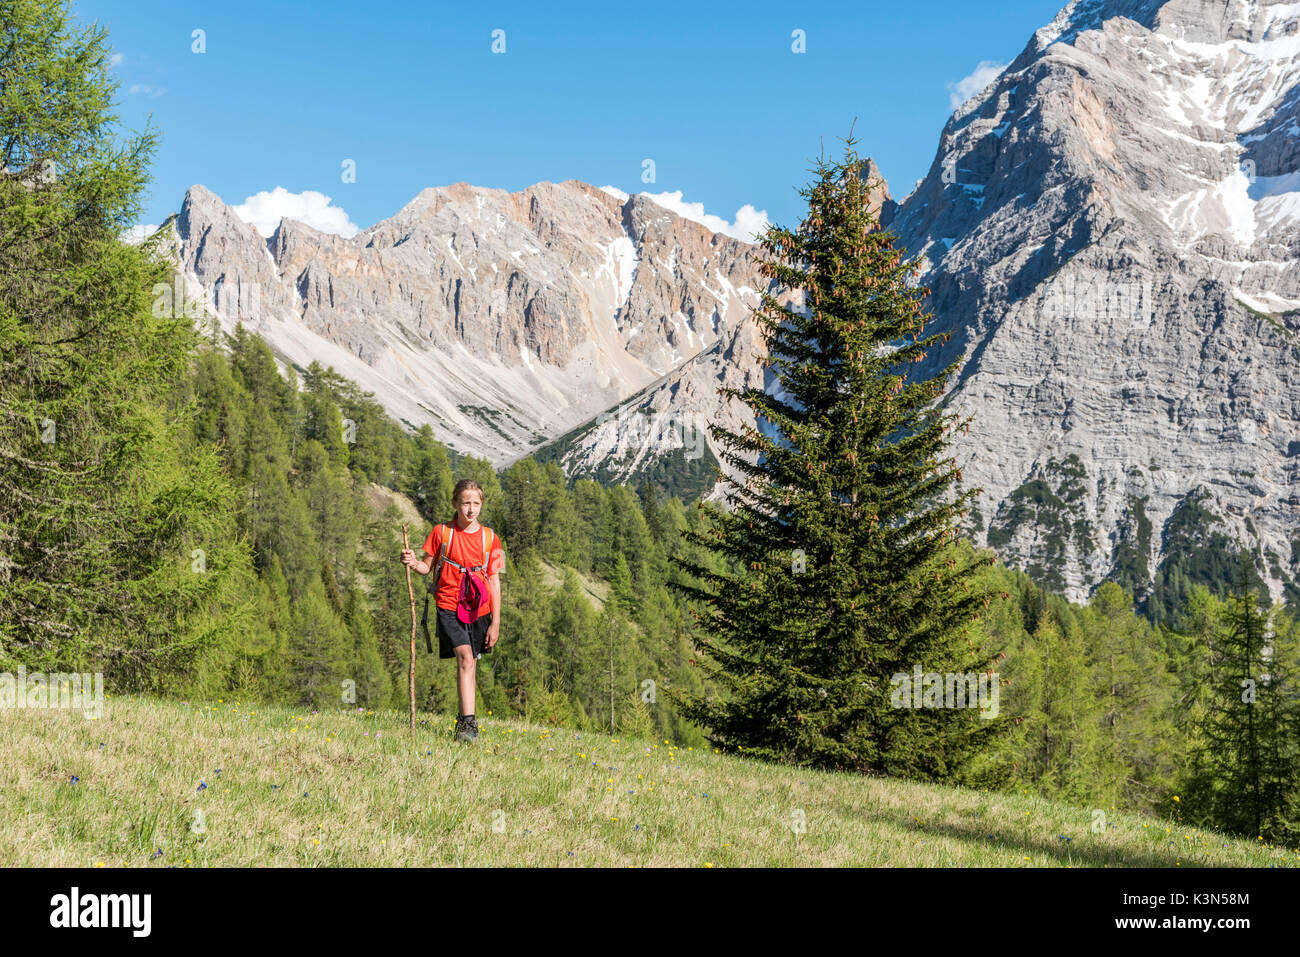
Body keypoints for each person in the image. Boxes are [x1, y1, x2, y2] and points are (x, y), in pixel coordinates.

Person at [400, 479, 504, 741]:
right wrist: (413, 563)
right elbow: (427, 566)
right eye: (466, 503)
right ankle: (468, 724)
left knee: (472, 663)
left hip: (479, 610)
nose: (471, 509)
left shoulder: (490, 538)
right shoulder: (441, 533)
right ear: (454, 503)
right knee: (465, 658)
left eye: (476, 504)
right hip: (447, 605)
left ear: (481, 505)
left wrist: (495, 623)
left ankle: (466, 721)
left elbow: (494, 581)